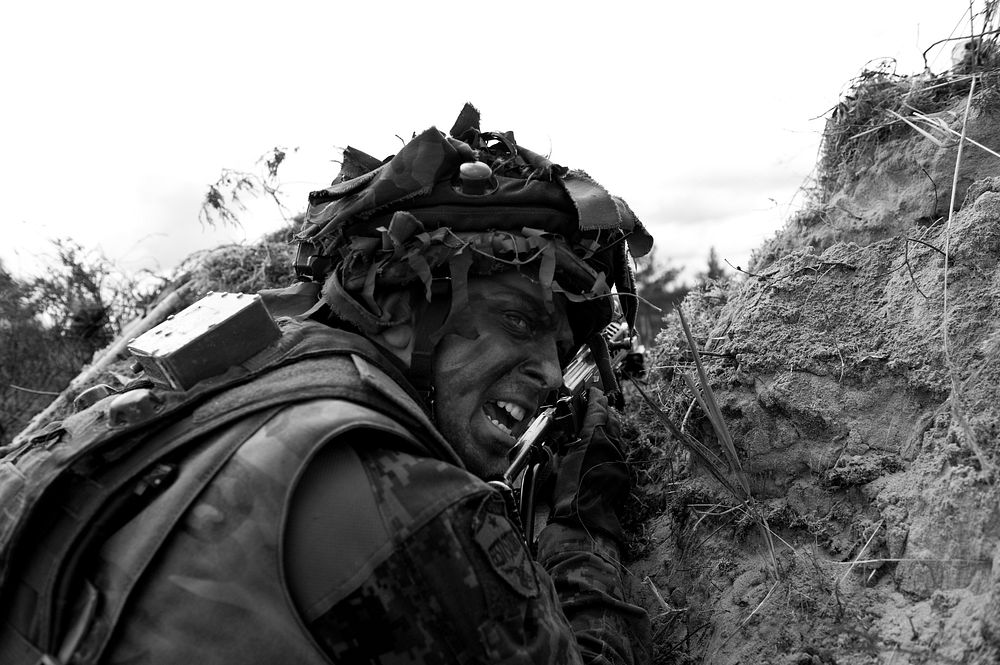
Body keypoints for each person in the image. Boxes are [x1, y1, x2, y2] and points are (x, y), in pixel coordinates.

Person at [10, 106, 654, 664]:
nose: (547, 370)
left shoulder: (225, 379)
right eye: (517, 320)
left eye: (561, 349)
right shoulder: (406, 498)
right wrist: (576, 521)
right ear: (401, 309)